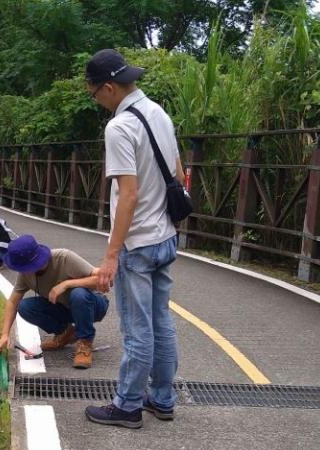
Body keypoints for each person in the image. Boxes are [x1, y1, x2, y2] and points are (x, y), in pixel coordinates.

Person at [83, 48, 184, 429]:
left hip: (137, 243)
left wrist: (111, 255)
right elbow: (178, 172)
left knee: (137, 328)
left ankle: (126, 406)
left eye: (95, 94)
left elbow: (128, 194)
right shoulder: (160, 113)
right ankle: (162, 398)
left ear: (108, 87)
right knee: (162, 321)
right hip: (166, 237)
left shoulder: (119, 127)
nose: (97, 102)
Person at [0, 235, 109, 369]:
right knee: (24, 307)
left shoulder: (64, 258)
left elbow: (102, 279)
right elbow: (12, 302)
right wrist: (5, 334)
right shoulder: (25, 273)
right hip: (65, 308)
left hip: (93, 305)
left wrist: (67, 284)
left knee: (78, 293)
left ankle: (85, 342)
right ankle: (65, 333)